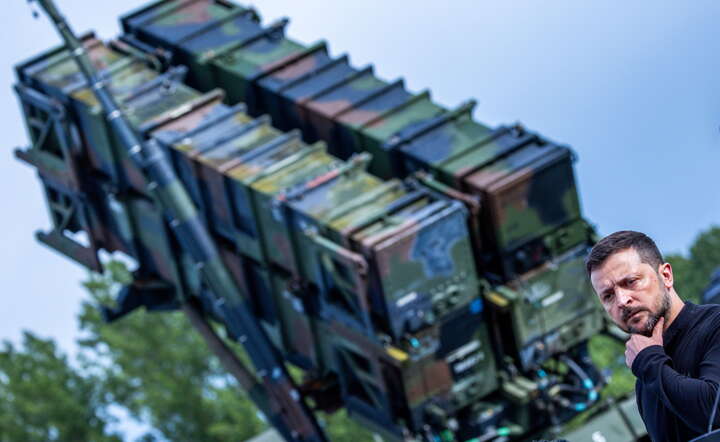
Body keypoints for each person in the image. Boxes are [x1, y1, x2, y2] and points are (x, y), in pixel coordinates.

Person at [586, 230, 720, 441]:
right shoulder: (645, 381)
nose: (622, 300)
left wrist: (649, 360)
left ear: (666, 276)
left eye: (631, 282)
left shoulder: (715, 325)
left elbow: (714, 413)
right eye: (608, 296)